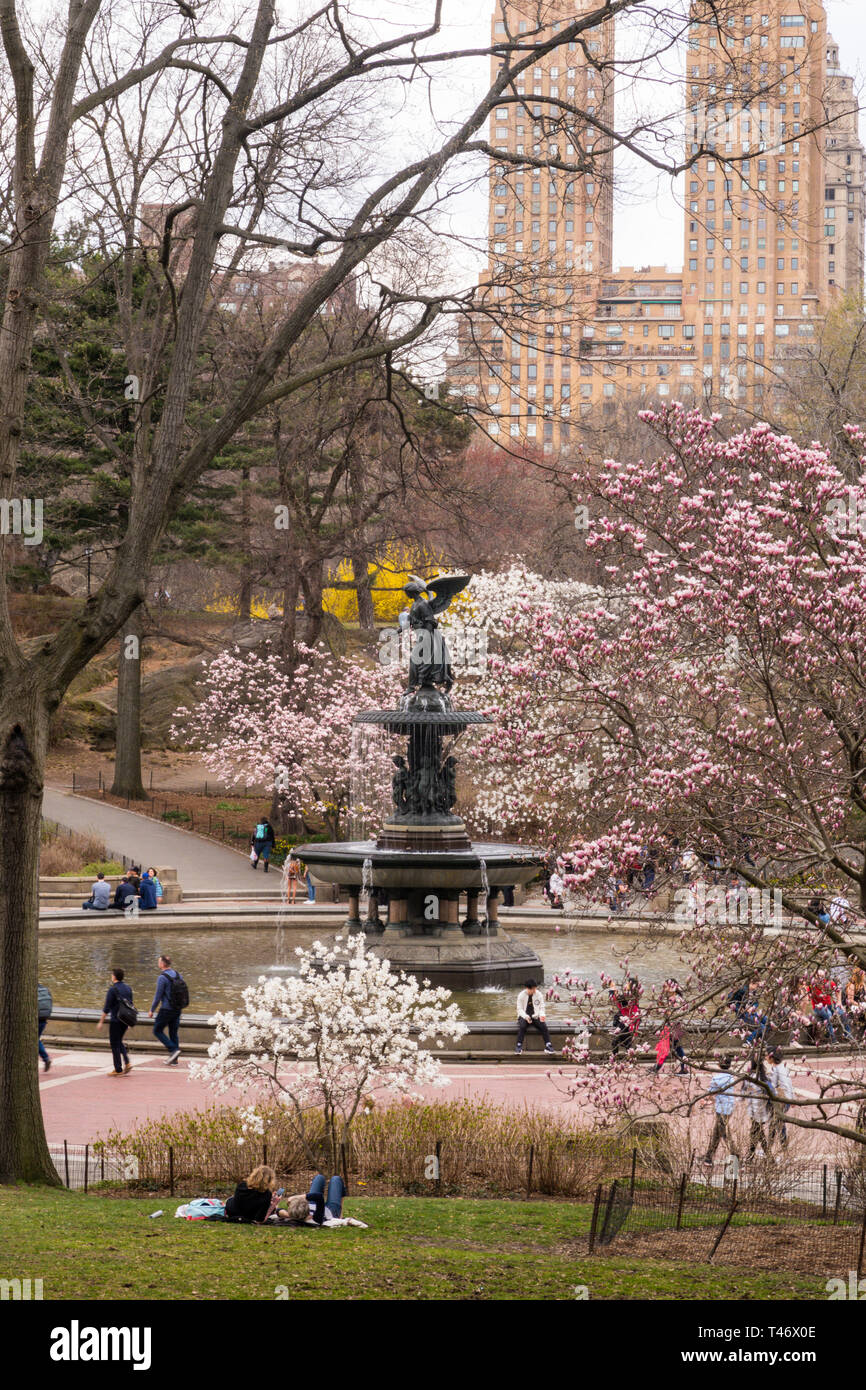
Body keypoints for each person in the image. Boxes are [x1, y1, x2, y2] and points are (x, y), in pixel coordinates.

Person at [282, 1174, 367, 1228]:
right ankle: (340, 1213)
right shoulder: (316, 1219)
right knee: (336, 1179)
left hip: (313, 1205)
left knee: (319, 1177)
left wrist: (287, 1214)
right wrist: (296, 1197)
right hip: (330, 1210)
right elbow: (319, 1198)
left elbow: (278, 1211)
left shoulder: (294, 1213)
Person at [148, 954, 185, 1064]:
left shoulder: (162, 977)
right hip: (177, 1009)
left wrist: (152, 1010)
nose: (158, 963)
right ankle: (174, 1060)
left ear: (163, 964)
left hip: (166, 1009)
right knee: (173, 1033)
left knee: (157, 1030)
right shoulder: (178, 975)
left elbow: (158, 996)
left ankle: (173, 1050)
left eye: (159, 961)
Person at [97, 968, 134, 1076]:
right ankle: (127, 1062)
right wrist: (129, 1022)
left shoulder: (112, 990)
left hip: (115, 1020)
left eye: (112, 975)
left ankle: (118, 1069)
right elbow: (130, 1005)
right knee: (119, 1041)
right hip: (125, 1019)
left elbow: (106, 1008)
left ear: (114, 976)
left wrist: (101, 1021)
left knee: (114, 1044)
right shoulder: (128, 988)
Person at [703, 1054, 738, 1164]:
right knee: (717, 1132)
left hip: (721, 1108)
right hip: (729, 1106)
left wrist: (704, 1102)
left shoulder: (716, 1078)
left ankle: (736, 1156)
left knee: (724, 1134)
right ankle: (708, 1156)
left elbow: (710, 1093)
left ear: (719, 1065)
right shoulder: (731, 1076)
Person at [745, 1057, 773, 1159]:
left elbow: (744, 1092)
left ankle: (754, 1156)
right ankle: (752, 1155)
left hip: (754, 1110)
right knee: (757, 1132)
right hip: (762, 1110)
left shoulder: (750, 1077)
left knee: (756, 1133)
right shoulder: (765, 1077)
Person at [515, 979, 554, 1054]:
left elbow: (542, 1007)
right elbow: (519, 1009)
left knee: (543, 1026)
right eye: (533, 989)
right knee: (522, 1026)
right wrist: (526, 1017)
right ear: (528, 988)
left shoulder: (538, 994)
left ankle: (548, 1045)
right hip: (524, 1016)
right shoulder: (521, 995)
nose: (535, 990)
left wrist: (542, 1014)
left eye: (535, 988)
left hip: (536, 1016)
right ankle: (519, 1046)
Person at [767, 1047, 793, 1148]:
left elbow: (772, 1086)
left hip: (781, 1099)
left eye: (766, 1055)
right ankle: (781, 1145)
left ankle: (774, 1146)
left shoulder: (775, 1070)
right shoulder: (783, 1067)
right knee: (777, 1121)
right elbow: (789, 1083)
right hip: (787, 1098)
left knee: (776, 1122)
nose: (765, 1057)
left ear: (771, 1057)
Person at [37, 982, 53, 1073]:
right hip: (43, 1019)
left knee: (34, 1040)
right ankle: (45, 1058)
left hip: (34, 1019)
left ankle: (46, 1058)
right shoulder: (45, 989)